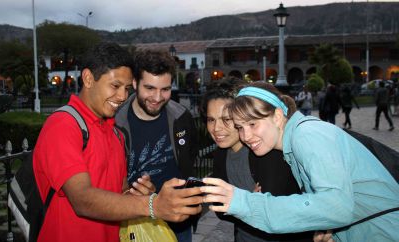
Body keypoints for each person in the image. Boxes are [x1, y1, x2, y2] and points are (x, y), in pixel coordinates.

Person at [33, 42, 203, 242]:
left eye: (126, 88)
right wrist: (152, 205)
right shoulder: (63, 124)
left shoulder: (115, 133)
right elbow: (82, 199)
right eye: (115, 86)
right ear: (88, 78)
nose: (122, 96)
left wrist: (140, 194)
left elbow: (121, 193)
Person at [200, 82, 399, 242]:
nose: (246, 135)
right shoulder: (292, 149)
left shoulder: (306, 135)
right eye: (240, 127)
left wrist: (244, 202)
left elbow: (337, 207)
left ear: (277, 116)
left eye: (253, 124)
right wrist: (326, 226)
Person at [200, 78, 312, 242]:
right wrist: (249, 203)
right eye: (211, 120)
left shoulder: (266, 151)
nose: (216, 129)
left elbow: (276, 215)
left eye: (226, 119)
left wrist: (241, 203)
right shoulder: (221, 153)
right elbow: (219, 210)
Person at [115, 49, 199, 242]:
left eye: (165, 89)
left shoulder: (182, 118)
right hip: (133, 222)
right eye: (150, 88)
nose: (157, 97)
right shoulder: (115, 123)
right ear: (135, 83)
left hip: (178, 222)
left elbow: (190, 156)